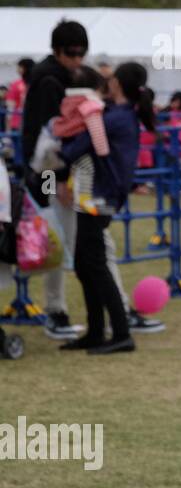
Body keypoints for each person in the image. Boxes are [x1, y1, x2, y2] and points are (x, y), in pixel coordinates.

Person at [57, 62, 155, 354]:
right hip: (97, 196)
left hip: (96, 197)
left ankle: (120, 332)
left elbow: (76, 149)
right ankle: (97, 330)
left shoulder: (112, 118)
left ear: (117, 85)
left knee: (94, 265)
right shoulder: (121, 116)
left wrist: (57, 139)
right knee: (85, 265)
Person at [20, 21, 89, 340]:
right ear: (58, 51)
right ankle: (55, 311)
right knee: (54, 240)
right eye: (73, 53)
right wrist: (60, 178)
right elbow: (50, 136)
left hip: (47, 171)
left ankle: (56, 309)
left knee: (54, 240)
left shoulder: (52, 77)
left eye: (81, 53)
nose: (78, 59)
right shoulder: (50, 81)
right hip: (48, 173)